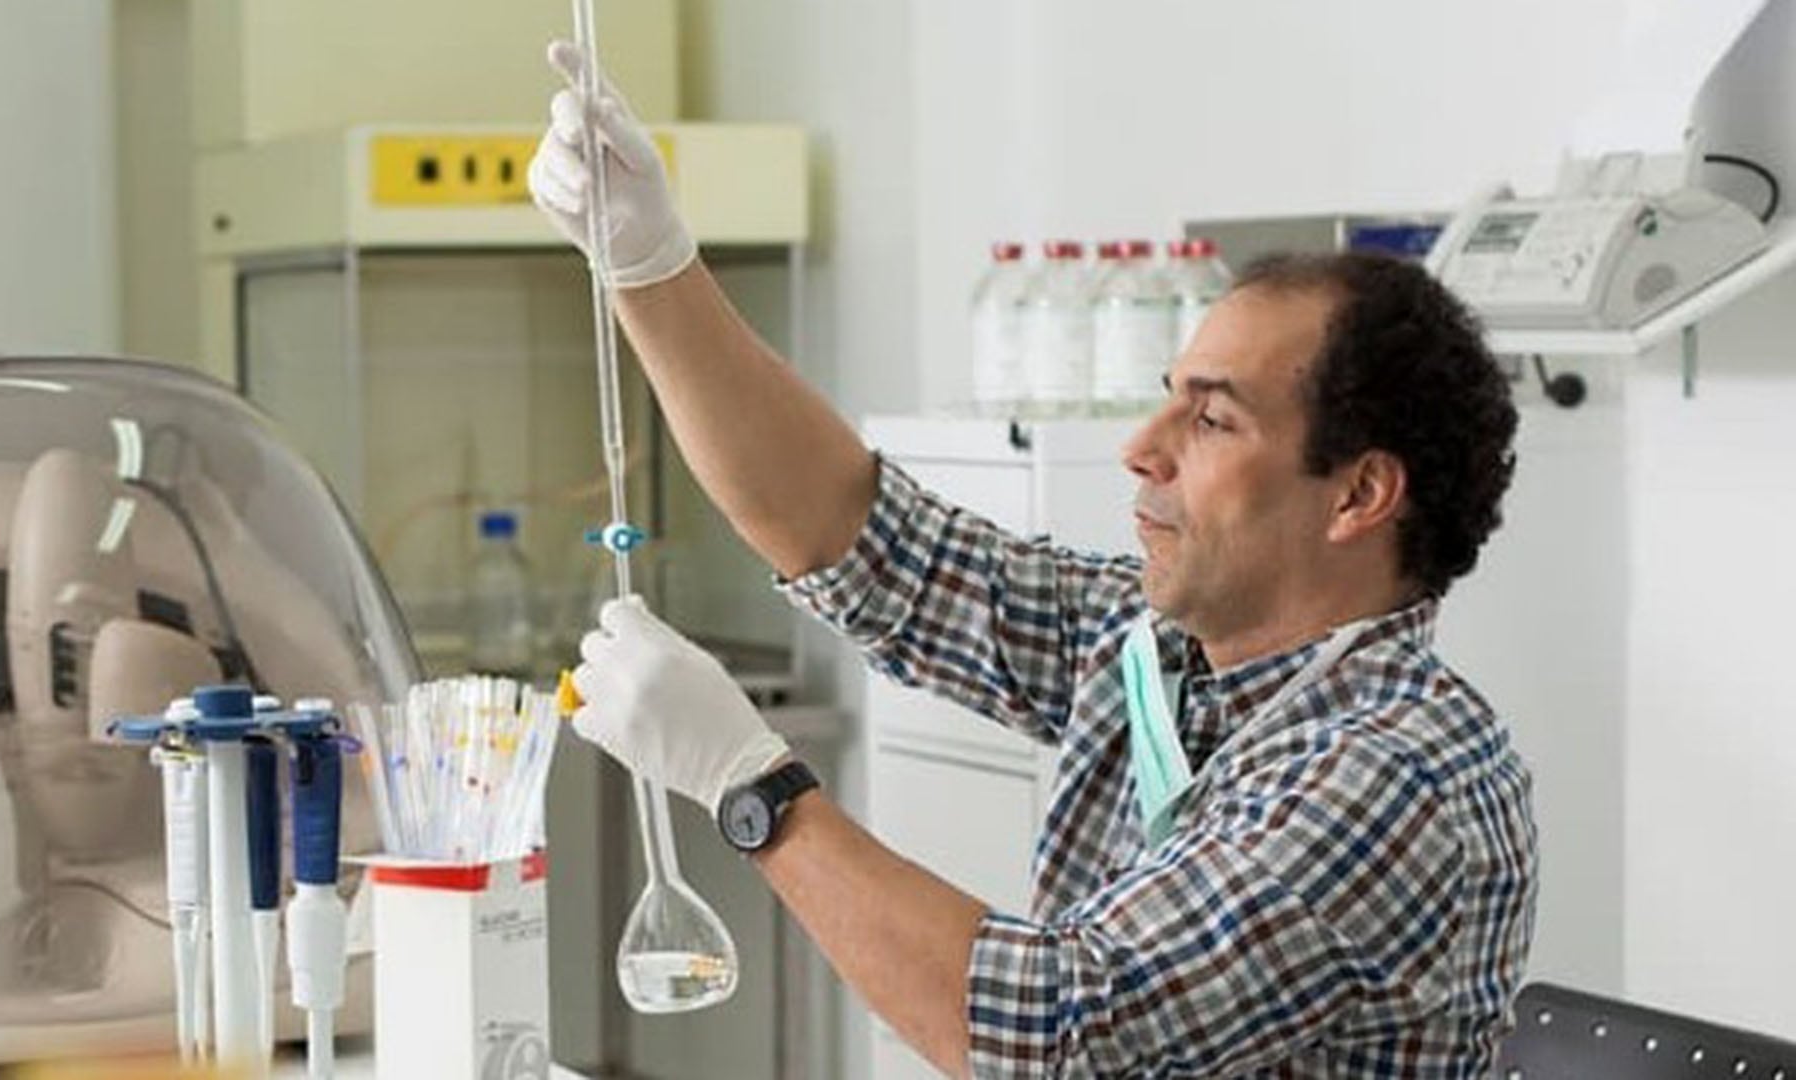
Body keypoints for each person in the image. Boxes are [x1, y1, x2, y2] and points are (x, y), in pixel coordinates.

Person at [533, 42, 1537, 1079]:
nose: (1141, 447)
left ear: (1359, 495)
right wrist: (651, 267)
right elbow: (864, 542)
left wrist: (757, 791)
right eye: (1166, 397)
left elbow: (1062, 1042)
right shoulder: (1169, 656)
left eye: (1213, 420)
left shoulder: (1394, 773)